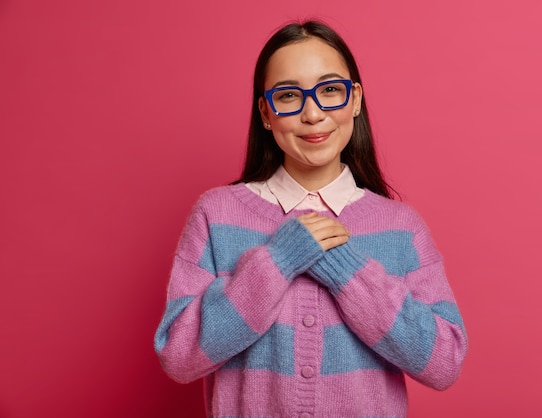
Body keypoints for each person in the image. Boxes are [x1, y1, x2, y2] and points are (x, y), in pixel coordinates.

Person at [154, 20, 468, 417]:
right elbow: (178, 358)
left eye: (330, 90)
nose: (313, 113)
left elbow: (444, 362)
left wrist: (347, 270)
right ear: (266, 113)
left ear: (355, 101)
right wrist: (276, 263)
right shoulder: (216, 215)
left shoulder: (401, 228)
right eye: (289, 96)